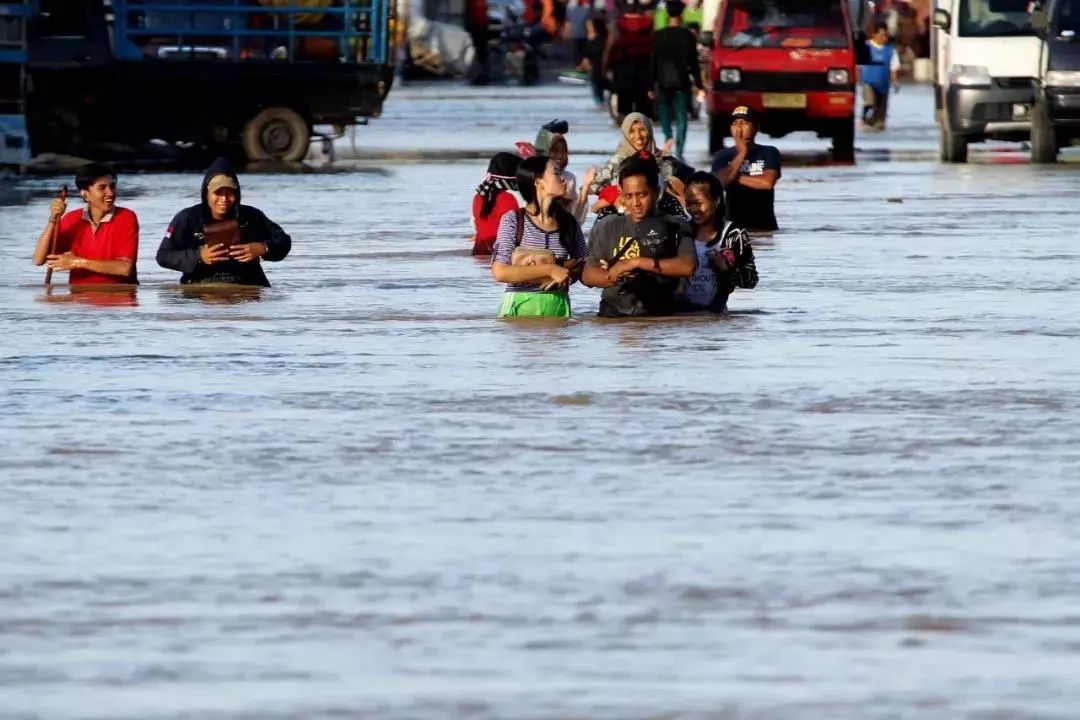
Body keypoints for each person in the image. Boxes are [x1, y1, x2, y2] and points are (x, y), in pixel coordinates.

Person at [582, 154, 696, 318]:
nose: (635, 203)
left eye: (642, 195)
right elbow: (588, 275)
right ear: (620, 193)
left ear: (656, 192)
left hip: (661, 317)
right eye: (629, 196)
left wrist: (635, 262)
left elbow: (688, 267)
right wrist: (614, 275)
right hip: (613, 317)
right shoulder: (606, 226)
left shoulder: (676, 225)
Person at [156, 157, 291, 287]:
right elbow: (164, 256)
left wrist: (262, 248)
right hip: (202, 289)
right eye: (218, 192)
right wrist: (199, 255)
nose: (224, 199)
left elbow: (284, 240)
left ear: (237, 194)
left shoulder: (252, 216)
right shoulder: (188, 218)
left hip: (246, 286)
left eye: (229, 192)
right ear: (206, 193)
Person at [490, 155, 589, 318]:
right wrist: (550, 269)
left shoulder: (570, 222)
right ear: (538, 181)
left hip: (558, 306)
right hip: (518, 307)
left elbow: (585, 262)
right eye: (556, 173)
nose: (563, 179)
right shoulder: (513, 220)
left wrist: (571, 270)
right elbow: (500, 272)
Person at [32, 163, 139, 285]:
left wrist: (77, 262)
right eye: (102, 188)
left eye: (112, 186)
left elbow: (124, 268)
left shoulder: (126, 217)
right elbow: (39, 259)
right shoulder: (72, 219)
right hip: (79, 301)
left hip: (119, 300)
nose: (110, 193)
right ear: (85, 194)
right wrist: (53, 220)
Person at [680, 171, 757, 313]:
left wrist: (726, 267)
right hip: (680, 316)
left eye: (699, 203)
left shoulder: (733, 234)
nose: (693, 209)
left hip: (716, 317)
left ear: (716, 200)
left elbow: (750, 280)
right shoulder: (679, 231)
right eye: (689, 204)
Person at [710, 106, 781, 232]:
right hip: (732, 228)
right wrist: (741, 153)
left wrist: (733, 177)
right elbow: (720, 183)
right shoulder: (722, 156)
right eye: (735, 123)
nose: (739, 128)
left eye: (744, 123)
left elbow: (767, 183)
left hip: (765, 227)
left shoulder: (769, 152)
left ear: (756, 128)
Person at [650, 0, 703, 160]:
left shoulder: (658, 36)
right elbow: (694, 63)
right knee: (681, 115)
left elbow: (653, 62)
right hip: (682, 79)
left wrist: (650, 85)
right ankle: (680, 150)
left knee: (664, 110)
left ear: (667, 13)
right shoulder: (688, 36)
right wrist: (699, 84)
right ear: (681, 14)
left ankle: (668, 138)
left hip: (663, 80)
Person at [534, 121, 595, 224]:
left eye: (563, 151)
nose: (559, 156)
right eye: (555, 150)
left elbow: (576, 219)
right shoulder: (533, 176)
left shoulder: (569, 179)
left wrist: (585, 187)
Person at [604, 0, 655, 123]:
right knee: (642, 105)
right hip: (644, 69)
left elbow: (612, 47)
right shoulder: (648, 23)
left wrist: (606, 65)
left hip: (623, 69)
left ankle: (627, 132)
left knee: (625, 105)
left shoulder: (619, 25)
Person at [472, 152, 522, 256]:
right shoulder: (515, 196)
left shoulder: (478, 195)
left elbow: (475, 225)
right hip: (506, 255)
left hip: (480, 253)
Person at [859, 22, 900, 131]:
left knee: (880, 123)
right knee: (869, 102)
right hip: (868, 82)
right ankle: (863, 119)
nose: (884, 37)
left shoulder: (890, 49)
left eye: (885, 35)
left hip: (883, 86)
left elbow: (893, 67)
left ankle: (874, 122)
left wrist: (895, 82)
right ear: (874, 34)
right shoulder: (866, 46)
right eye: (881, 35)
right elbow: (857, 65)